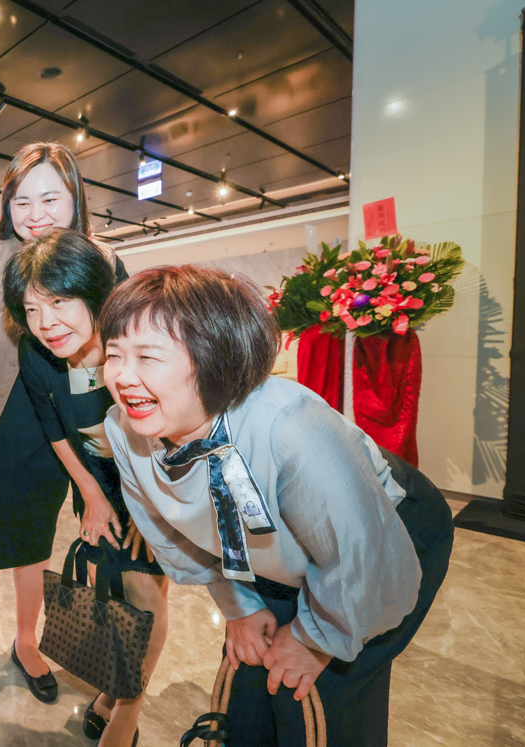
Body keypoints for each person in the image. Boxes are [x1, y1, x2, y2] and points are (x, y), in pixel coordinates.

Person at [98, 265, 455, 746]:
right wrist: (239, 607)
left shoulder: (291, 430)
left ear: (216, 356)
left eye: (147, 356)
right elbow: (172, 534)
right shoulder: (124, 429)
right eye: (114, 355)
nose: (122, 377)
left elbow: (361, 558)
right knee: (249, 675)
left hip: (385, 532)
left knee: (319, 693)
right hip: (277, 546)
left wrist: (314, 640)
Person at [0, 142, 122, 721]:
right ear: (6, 205)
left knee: (34, 540)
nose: (36, 213)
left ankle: (25, 641)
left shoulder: (102, 259)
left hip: (56, 428)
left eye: (50, 198)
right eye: (22, 201)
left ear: (76, 198)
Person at [2, 228, 169, 747]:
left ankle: (127, 707)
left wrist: (151, 510)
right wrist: (92, 496)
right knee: (106, 582)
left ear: (94, 292)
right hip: (95, 475)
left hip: (156, 475)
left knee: (144, 590)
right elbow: (55, 431)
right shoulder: (38, 354)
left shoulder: (136, 339)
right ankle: (114, 687)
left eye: (59, 302)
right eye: (31, 309)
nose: (46, 323)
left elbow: (170, 431)